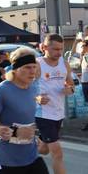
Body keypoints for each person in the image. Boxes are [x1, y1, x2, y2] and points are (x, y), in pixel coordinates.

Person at [0, 48, 49, 174]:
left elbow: (30, 117)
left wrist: (41, 138)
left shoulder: (34, 88)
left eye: (34, 67)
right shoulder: (2, 91)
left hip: (32, 156)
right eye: (27, 67)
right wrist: (11, 131)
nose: (32, 72)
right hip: (7, 161)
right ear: (16, 69)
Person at [35, 34, 74, 174]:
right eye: (55, 49)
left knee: (44, 150)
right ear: (44, 47)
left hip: (58, 112)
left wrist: (70, 89)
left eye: (61, 49)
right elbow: (25, 86)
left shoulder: (64, 64)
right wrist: (37, 97)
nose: (59, 53)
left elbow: (71, 83)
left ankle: (27, 147)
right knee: (57, 153)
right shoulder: (37, 64)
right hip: (42, 113)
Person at [79, 40, 88, 130]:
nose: (82, 47)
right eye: (82, 46)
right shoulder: (84, 56)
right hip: (84, 82)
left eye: (84, 46)